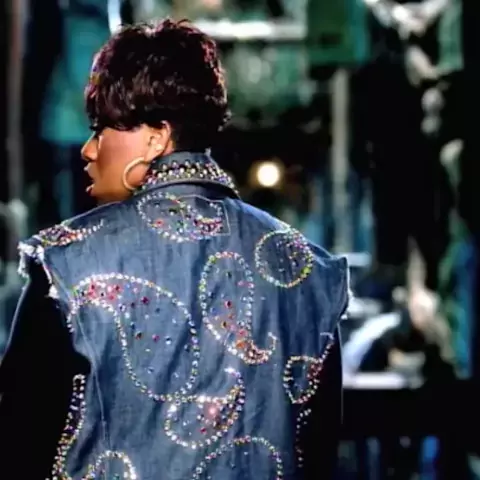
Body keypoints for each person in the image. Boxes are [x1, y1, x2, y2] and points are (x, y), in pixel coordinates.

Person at [0, 20, 349, 479]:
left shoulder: (66, 264)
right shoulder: (307, 271)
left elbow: (17, 448)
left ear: (156, 137)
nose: (88, 149)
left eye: (102, 127)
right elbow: (319, 456)